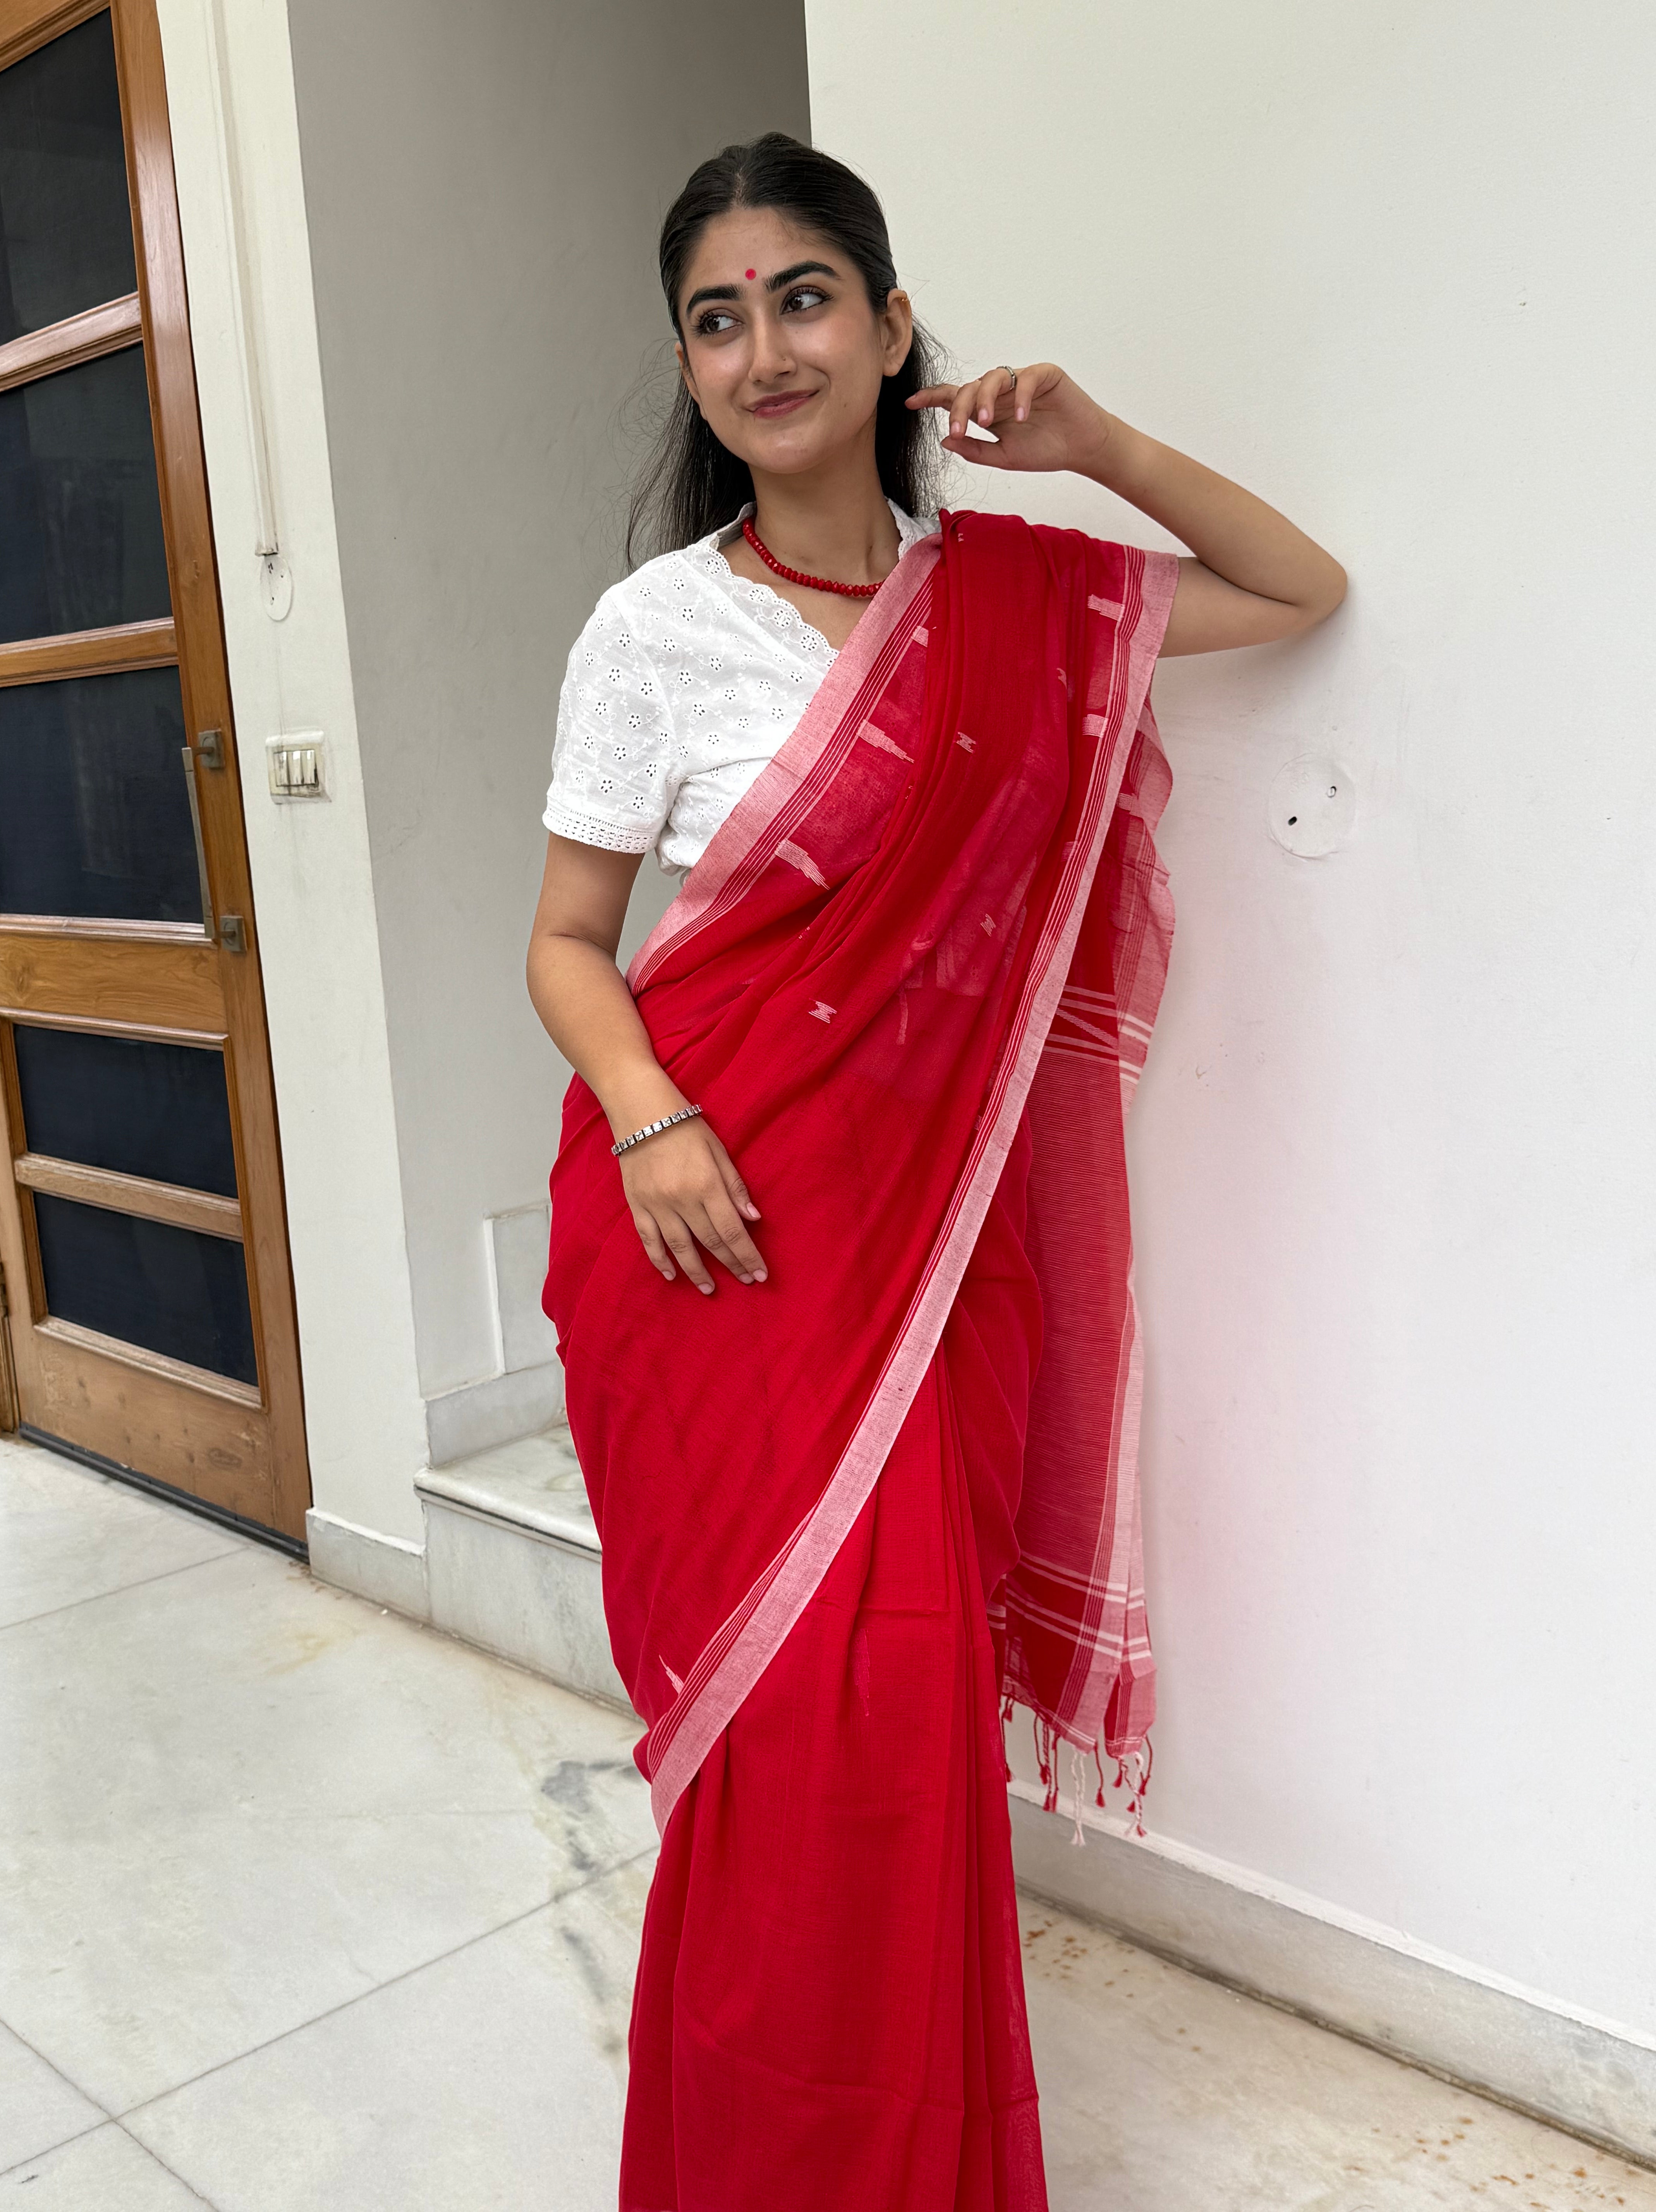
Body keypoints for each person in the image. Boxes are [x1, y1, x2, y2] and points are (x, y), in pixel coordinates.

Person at [526, 131, 1343, 2212]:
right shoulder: (650, 631)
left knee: (896, 1744)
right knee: (779, 1743)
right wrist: (650, 1112)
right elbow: (565, 943)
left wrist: (1097, 444)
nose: (761, 347)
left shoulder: (1022, 604)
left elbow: (1293, 588)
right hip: (713, 1249)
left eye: (805, 296)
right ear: (689, 369)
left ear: (892, 331)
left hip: (937, 1260)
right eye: (716, 318)